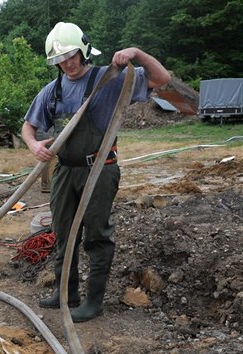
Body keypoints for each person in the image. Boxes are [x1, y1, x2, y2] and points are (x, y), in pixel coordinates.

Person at [21, 22, 170, 322]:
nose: (67, 63)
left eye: (72, 55)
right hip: (64, 171)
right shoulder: (52, 90)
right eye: (60, 60)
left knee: (97, 236)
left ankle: (93, 301)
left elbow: (161, 78)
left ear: (84, 49)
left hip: (99, 169)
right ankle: (67, 292)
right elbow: (28, 126)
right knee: (63, 234)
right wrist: (33, 145)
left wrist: (137, 53)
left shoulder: (110, 78)